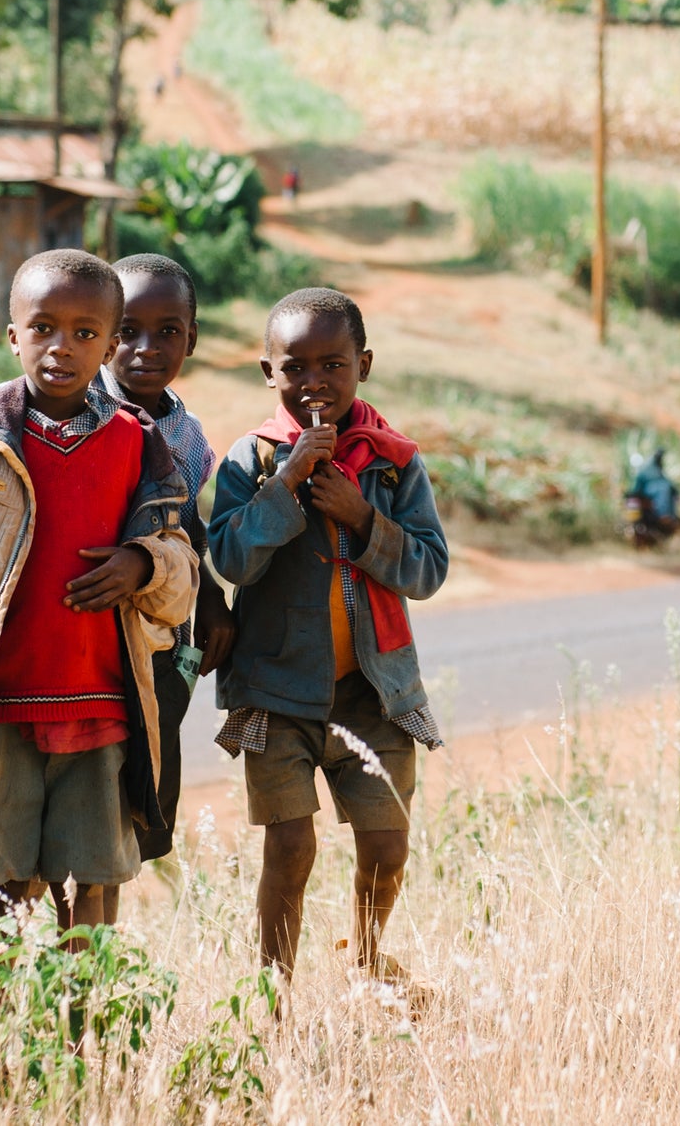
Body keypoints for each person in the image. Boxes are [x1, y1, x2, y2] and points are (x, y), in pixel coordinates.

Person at [0, 249, 198, 942]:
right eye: (44, 327)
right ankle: (2, 1038)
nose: (63, 347)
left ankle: (82, 1035)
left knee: (96, 887)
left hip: (103, 708)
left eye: (86, 333)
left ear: (111, 346)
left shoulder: (138, 444)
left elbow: (181, 574)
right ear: (12, 335)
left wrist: (143, 564)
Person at [207, 287, 449, 993]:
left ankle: (368, 956)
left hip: (375, 690)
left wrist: (362, 515)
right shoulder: (249, 459)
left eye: (333, 364)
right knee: (289, 846)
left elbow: (428, 567)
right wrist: (285, 485)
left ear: (363, 364)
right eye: (296, 368)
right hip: (276, 692)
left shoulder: (393, 462)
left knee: (386, 841)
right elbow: (230, 558)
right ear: (267, 371)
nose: (314, 383)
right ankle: (272, 992)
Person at [99, 252, 236, 863]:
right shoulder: (79, 413)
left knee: (146, 777)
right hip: (91, 628)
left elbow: (187, 521)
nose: (146, 349)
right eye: (127, 331)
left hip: (162, 629)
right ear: (102, 332)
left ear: (193, 337)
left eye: (168, 332)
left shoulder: (185, 432)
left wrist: (210, 594)